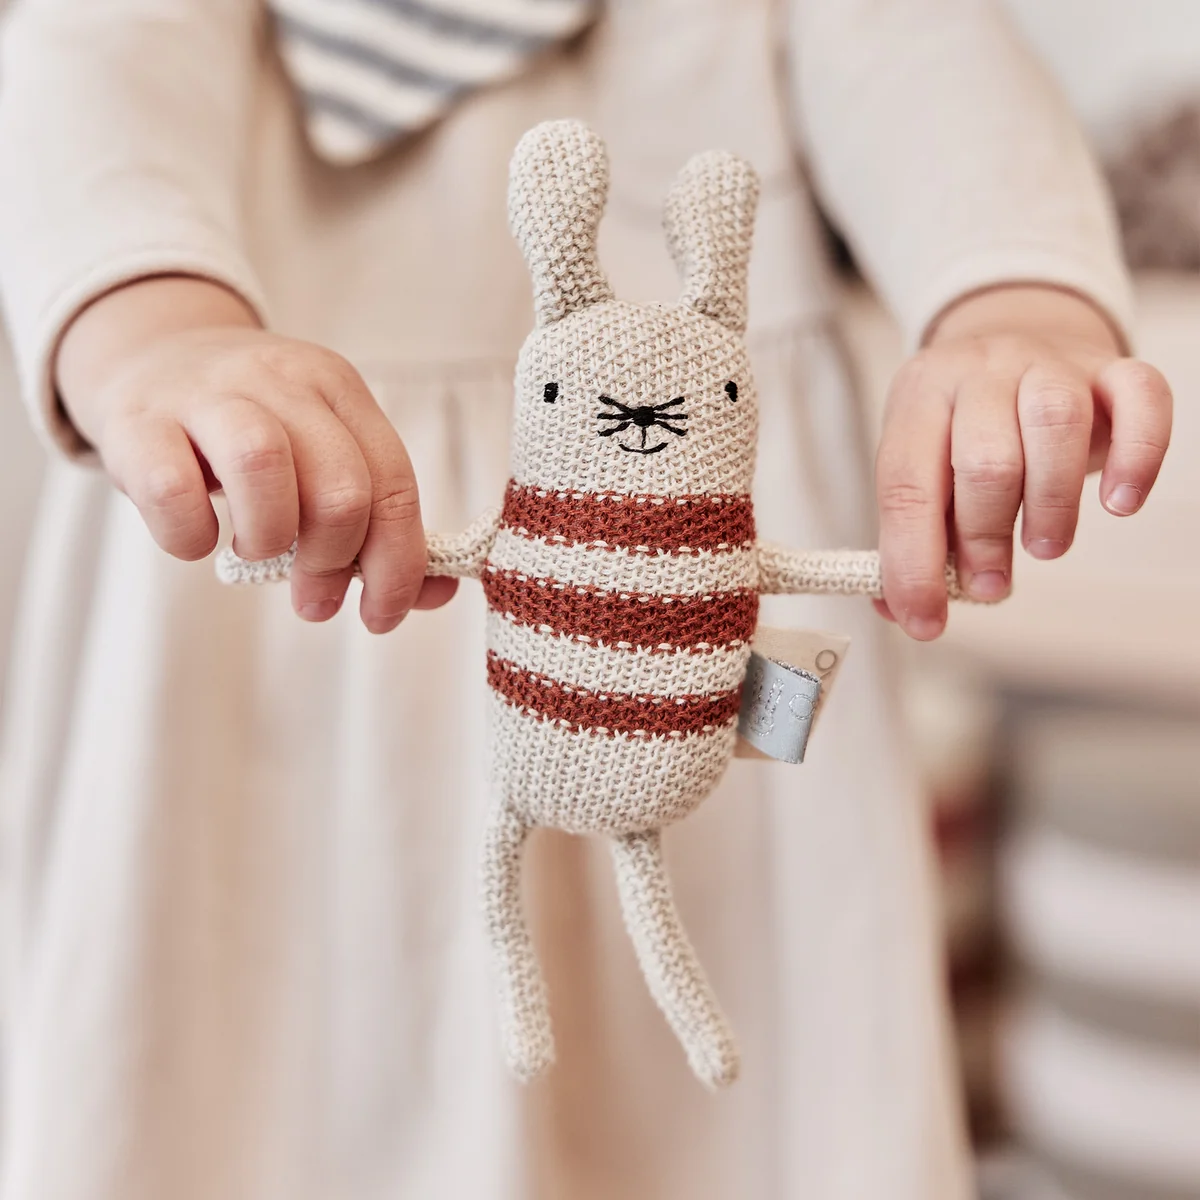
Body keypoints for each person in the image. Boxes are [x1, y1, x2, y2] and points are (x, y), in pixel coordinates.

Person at [0, 1, 1172, 1198]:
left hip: (707, 624)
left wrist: (1013, 307)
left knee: (743, 1120)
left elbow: (922, 55)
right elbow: (93, 53)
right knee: (246, 1090)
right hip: (272, 556)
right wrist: (154, 330)